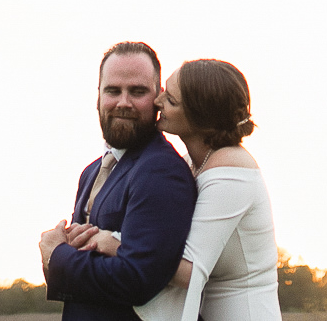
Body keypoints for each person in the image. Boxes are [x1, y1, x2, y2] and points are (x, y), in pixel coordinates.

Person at [65, 59, 278, 321]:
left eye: (172, 101)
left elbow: (190, 271)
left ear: (201, 118)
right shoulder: (191, 162)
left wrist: (113, 242)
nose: (158, 101)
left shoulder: (231, 169)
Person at [41, 42, 197, 321]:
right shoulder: (91, 172)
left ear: (158, 99)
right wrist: (62, 252)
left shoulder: (162, 171)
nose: (123, 102)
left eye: (137, 91)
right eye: (113, 91)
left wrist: (57, 255)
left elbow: (137, 278)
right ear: (98, 97)